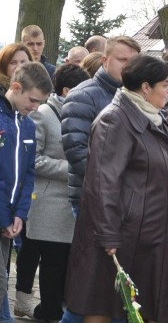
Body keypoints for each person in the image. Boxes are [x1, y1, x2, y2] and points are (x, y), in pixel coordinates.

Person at [64, 55, 168, 323]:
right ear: (145, 87)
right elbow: (101, 183)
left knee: (145, 309)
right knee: (103, 307)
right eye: (165, 85)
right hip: (123, 236)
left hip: (152, 236)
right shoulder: (115, 120)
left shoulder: (156, 118)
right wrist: (109, 235)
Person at [0, 62, 52, 323]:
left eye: (40, 102)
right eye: (32, 99)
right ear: (15, 87)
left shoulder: (29, 125)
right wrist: (4, 219)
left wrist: (21, 213)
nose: (35, 107)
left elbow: (29, 174)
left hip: (10, 218)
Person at [24, 63, 90, 321]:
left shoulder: (80, 115)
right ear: (67, 90)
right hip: (49, 203)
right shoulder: (42, 114)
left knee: (65, 265)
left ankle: (52, 310)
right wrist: (73, 167)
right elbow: (33, 159)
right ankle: (49, 313)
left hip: (72, 204)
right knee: (52, 265)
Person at [62, 36, 141, 216]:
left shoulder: (136, 96)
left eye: (134, 62)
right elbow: (77, 152)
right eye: (122, 60)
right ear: (105, 60)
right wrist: (117, 183)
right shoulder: (82, 96)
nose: (129, 67)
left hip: (128, 197)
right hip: (94, 198)